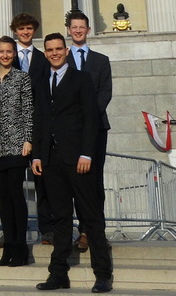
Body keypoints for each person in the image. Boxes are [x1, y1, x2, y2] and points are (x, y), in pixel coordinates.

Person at [31, 33, 114, 293]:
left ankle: (102, 273)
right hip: (52, 160)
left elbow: (91, 118)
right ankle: (58, 274)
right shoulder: (42, 81)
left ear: (66, 50)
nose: (54, 53)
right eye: (49, 50)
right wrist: (37, 155)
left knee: (90, 217)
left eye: (58, 49)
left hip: (79, 159)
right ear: (45, 53)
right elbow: (40, 120)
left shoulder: (82, 79)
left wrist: (87, 153)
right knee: (61, 219)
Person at [0, 36, 34, 266]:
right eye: (1, 51)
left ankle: (20, 248)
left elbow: (28, 111)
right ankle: (8, 248)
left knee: (16, 196)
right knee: (3, 199)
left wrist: (28, 139)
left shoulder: (23, 78)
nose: (5, 55)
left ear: (14, 54)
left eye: (9, 52)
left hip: (16, 145)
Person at [66, 11, 113, 253]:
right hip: (71, 132)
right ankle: (82, 231)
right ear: (68, 30)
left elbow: (105, 93)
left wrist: (88, 117)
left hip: (95, 129)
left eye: (81, 27)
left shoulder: (101, 60)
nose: (77, 30)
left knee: (95, 182)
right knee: (76, 183)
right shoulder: (61, 60)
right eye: (74, 27)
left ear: (88, 30)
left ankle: (96, 232)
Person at [9, 13, 52, 244]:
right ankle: (13, 231)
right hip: (14, 126)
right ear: (15, 31)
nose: (25, 32)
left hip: (37, 124)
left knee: (42, 180)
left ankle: (47, 229)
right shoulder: (8, 55)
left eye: (29, 28)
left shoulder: (43, 58)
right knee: (12, 184)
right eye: (21, 29)